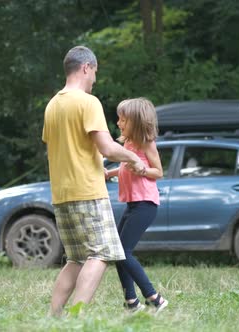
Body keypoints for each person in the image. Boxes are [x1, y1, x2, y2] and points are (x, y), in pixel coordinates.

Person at [42, 45, 146, 317]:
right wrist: (134, 160)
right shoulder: (88, 102)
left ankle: (55, 315)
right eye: (95, 72)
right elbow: (108, 147)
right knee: (100, 255)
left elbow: (63, 148)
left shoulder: (53, 105)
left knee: (76, 259)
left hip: (61, 194)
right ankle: (76, 317)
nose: (95, 79)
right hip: (87, 191)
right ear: (86, 67)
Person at [104, 98, 169, 314]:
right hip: (133, 204)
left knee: (123, 251)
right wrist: (109, 173)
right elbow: (125, 168)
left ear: (138, 122)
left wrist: (142, 169)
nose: (119, 123)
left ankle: (155, 298)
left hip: (146, 204)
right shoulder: (128, 143)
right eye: (119, 118)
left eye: (124, 119)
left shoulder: (146, 143)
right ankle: (131, 302)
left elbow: (158, 172)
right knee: (118, 252)